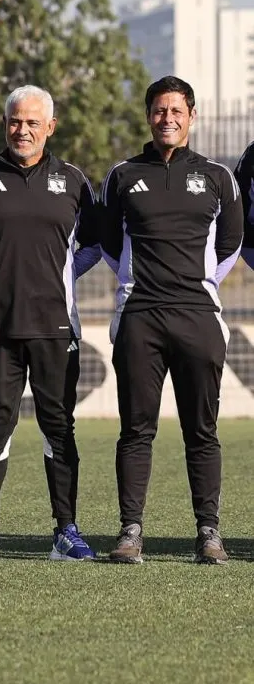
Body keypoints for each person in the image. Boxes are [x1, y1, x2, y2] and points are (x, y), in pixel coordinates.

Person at [0, 86, 100, 563]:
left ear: (50, 127)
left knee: (59, 427)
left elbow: (94, 247)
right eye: (16, 121)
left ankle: (66, 532)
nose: (23, 130)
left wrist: (56, 279)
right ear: (5, 124)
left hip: (56, 327)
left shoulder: (74, 181)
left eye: (33, 122)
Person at [101, 76, 243, 564]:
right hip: (140, 315)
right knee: (136, 429)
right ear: (149, 116)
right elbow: (107, 242)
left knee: (201, 430)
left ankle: (209, 533)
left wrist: (199, 285)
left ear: (192, 116)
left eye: (177, 111)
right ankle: (130, 532)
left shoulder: (217, 176)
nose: (168, 118)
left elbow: (231, 243)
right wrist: (137, 283)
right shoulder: (122, 175)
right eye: (160, 111)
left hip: (198, 317)